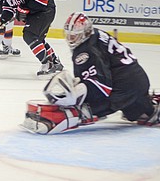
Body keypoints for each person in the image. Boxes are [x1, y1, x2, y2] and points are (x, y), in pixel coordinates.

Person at [21, 12, 160, 134]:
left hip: (125, 86)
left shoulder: (86, 50)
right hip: (136, 79)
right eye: (69, 36)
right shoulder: (95, 34)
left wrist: (78, 96)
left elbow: (101, 86)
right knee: (133, 113)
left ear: (85, 32)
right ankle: (148, 106)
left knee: (92, 108)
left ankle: (151, 109)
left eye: (74, 36)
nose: (71, 40)